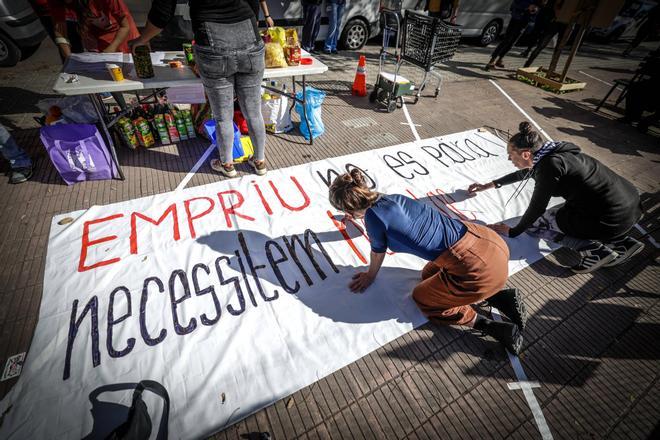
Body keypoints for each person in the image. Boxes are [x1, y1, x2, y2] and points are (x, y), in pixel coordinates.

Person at [328, 169, 527, 355]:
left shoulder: (373, 218)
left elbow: (377, 252)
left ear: (351, 209)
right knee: (428, 275)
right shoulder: (394, 197)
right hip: (486, 241)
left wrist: (369, 276)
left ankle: (490, 326)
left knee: (424, 298)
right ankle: (503, 297)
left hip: (477, 267)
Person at [468, 122, 644, 273]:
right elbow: (527, 172)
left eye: (511, 154)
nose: (508, 158)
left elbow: (537, 208)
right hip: (629, 208)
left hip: (609, 218)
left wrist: (513, 231)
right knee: (559, 213)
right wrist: (491, 184)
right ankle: (623, 242)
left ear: (526, 154)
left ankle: (593, 250)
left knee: (536, 225)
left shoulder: (549, 167)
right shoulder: (553, 153)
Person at [131, 1, 268, 178]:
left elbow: (162, 12)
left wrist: (142, 39)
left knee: (223, 116)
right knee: (254, 112)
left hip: (213, 48)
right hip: (249, 37)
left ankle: (227, 165)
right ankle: (259, 162)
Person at [50, 0, 139, 58]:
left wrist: (112, 48)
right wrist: (69, 59)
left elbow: (125, 26)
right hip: (97, 34)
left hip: (122, 32)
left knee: (128, 72)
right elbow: (60, 33)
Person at [485, 0, 540, 71]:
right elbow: (514, 4)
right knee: (506, 40)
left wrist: (534, 11)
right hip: (516, 19)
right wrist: (527, 7)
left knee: (512, 42)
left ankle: (500, 59)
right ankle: (491, 61)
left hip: (525, 22)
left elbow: (536, 12)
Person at [520, 0, 566, 68]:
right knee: (541, 44)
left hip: (559, 21)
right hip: (555, 19)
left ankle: (551, 68)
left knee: (551, 47)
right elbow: (556, 5)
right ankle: (527, 65)